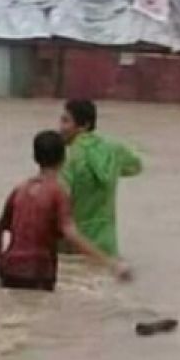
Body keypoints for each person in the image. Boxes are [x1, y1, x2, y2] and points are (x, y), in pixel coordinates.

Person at [0, 130, 130, 291]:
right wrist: (110, 263)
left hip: (10, 270)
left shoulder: (19, 190)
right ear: (63, 159)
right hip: (39, 271)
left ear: (35, 158)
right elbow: (71, 234)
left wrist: (1, 260)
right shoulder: (57, 192)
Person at [59, 99, 143, 257]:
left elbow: (58, 200)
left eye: (65, 121)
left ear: (83, 126)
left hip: (77, 245)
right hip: (107, 244)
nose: (60, 128)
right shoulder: (114, 150)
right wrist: (113, 170)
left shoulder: (68, 158)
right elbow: (136, 167)